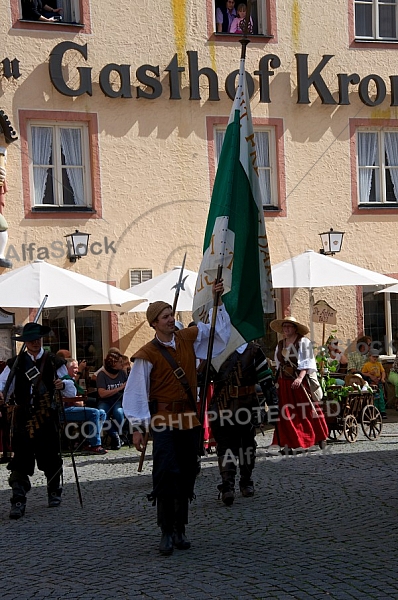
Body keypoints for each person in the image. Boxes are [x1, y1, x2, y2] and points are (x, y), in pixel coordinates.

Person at [123, 280, 230, 556]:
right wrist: (137, 427)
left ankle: (181, 528)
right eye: (165, 317)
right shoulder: (146, 354)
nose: (172, 319)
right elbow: (136, 392)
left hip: (190, 420)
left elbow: (218, 331)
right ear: (154, 323)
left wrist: (219, 301)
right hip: (162, 420)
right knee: (166, 474)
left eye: (172, 315)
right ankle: (166, 532)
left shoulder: (188, 338)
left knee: (187, 473)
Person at [0, 323, 65, 519]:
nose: (35, 343)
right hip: (23, 418)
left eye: (38, 339)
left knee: (50, 456)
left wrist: (63, 385)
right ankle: (18, 500)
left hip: (47, 416)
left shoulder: (54, 361)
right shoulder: (15, 363)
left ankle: (54, 490)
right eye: (31, 340)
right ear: (25, 342)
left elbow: (71, 386)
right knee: (20, 459)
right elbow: (4, 385)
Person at [210, 341, 277, 506]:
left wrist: (274, 407)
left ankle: (246, 481)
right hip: (221, 405)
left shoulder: (254, 351)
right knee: (225, 446)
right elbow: (203, 376)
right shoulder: (215, 349)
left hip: (247, 405)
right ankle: (227, 486)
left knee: (247, 445)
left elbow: (266, 380)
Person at [270, 316, 328, 451]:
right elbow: (278, 365)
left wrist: (300, 378)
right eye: (284, 327)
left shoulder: (303, 342)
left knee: (306, 410)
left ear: (295, 328)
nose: (286, 329)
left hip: (300, 383)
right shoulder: (280, 345)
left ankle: (319, 436)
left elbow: (307, 363)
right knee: (285, 414)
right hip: (284, 383)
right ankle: (287, 443)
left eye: (289, 326)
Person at [60, 358, 107, 454]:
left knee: (102, 413)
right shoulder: (64, 381)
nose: (77, 370)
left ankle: (89, 442)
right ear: (66, 369)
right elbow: (70, 398)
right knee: (94, 412)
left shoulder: (72, 381)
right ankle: (95, 445)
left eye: (77, 368)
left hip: (73, 408)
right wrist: (77, 399)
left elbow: (78, 400)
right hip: (64, 410)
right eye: (74, 368)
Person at [96, 351, 128, 450]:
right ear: (113, 364)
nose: (122, 364)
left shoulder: (122, 373)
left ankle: (120, 435)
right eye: (120, 362)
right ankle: (115, 435)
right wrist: (119, 388)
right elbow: (102, 393)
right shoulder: (102, 375)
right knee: (101, 413)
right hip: (105, 401)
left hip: (118, 401)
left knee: (119, 412)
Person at [361, 350, 387, 418]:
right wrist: (369, 374)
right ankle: (375, 410)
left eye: (376, 357)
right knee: (374, 398)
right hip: (371, 383)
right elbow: (363, 373)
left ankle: (382, 411)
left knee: (381, 397)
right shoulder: (367, 365)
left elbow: (383, 372)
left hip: (378, 382)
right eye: (373, 357)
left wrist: (382, 378)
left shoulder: (379, 364)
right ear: (370, 357)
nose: (375, 358)